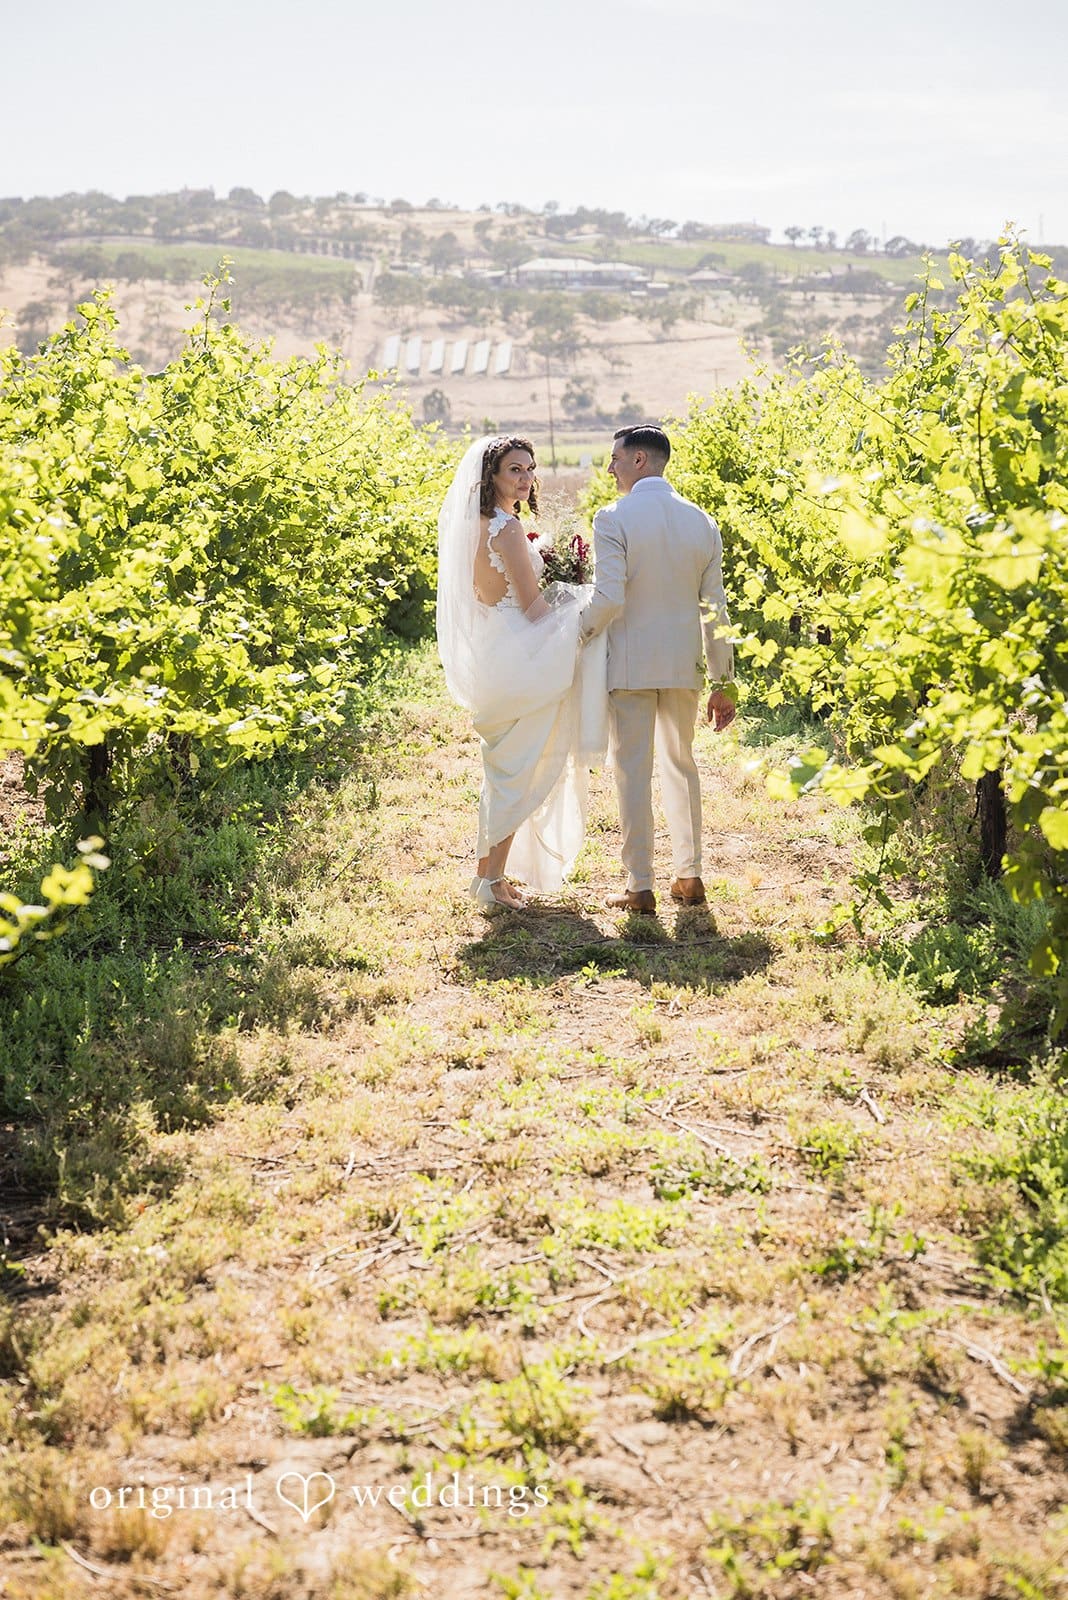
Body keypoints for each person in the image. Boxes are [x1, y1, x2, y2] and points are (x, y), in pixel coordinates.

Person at [436, 435, 607, 910]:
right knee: (520, 769)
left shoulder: (474, 525)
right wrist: (580, 598)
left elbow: (486, 596)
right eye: (515, 469)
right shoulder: (508, 530)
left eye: (530, 469)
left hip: (495, 648)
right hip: (521, 651)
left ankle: (488, 876)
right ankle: (491, 882)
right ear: (491, 475)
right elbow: (534, 610)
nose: (526, 477)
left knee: (504, 769)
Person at [579, 424, 735, 915]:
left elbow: (610, 597)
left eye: (616, 459)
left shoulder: (613, 518)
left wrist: (573, 633)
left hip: (629, 664)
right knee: (681, 767)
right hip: (683, 666)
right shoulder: (702, 522)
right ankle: (690, 877)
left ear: (640, 460)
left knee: (632, 771)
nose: (610, 468)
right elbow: (715, 609)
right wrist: (722, 679)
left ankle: (640, 884)